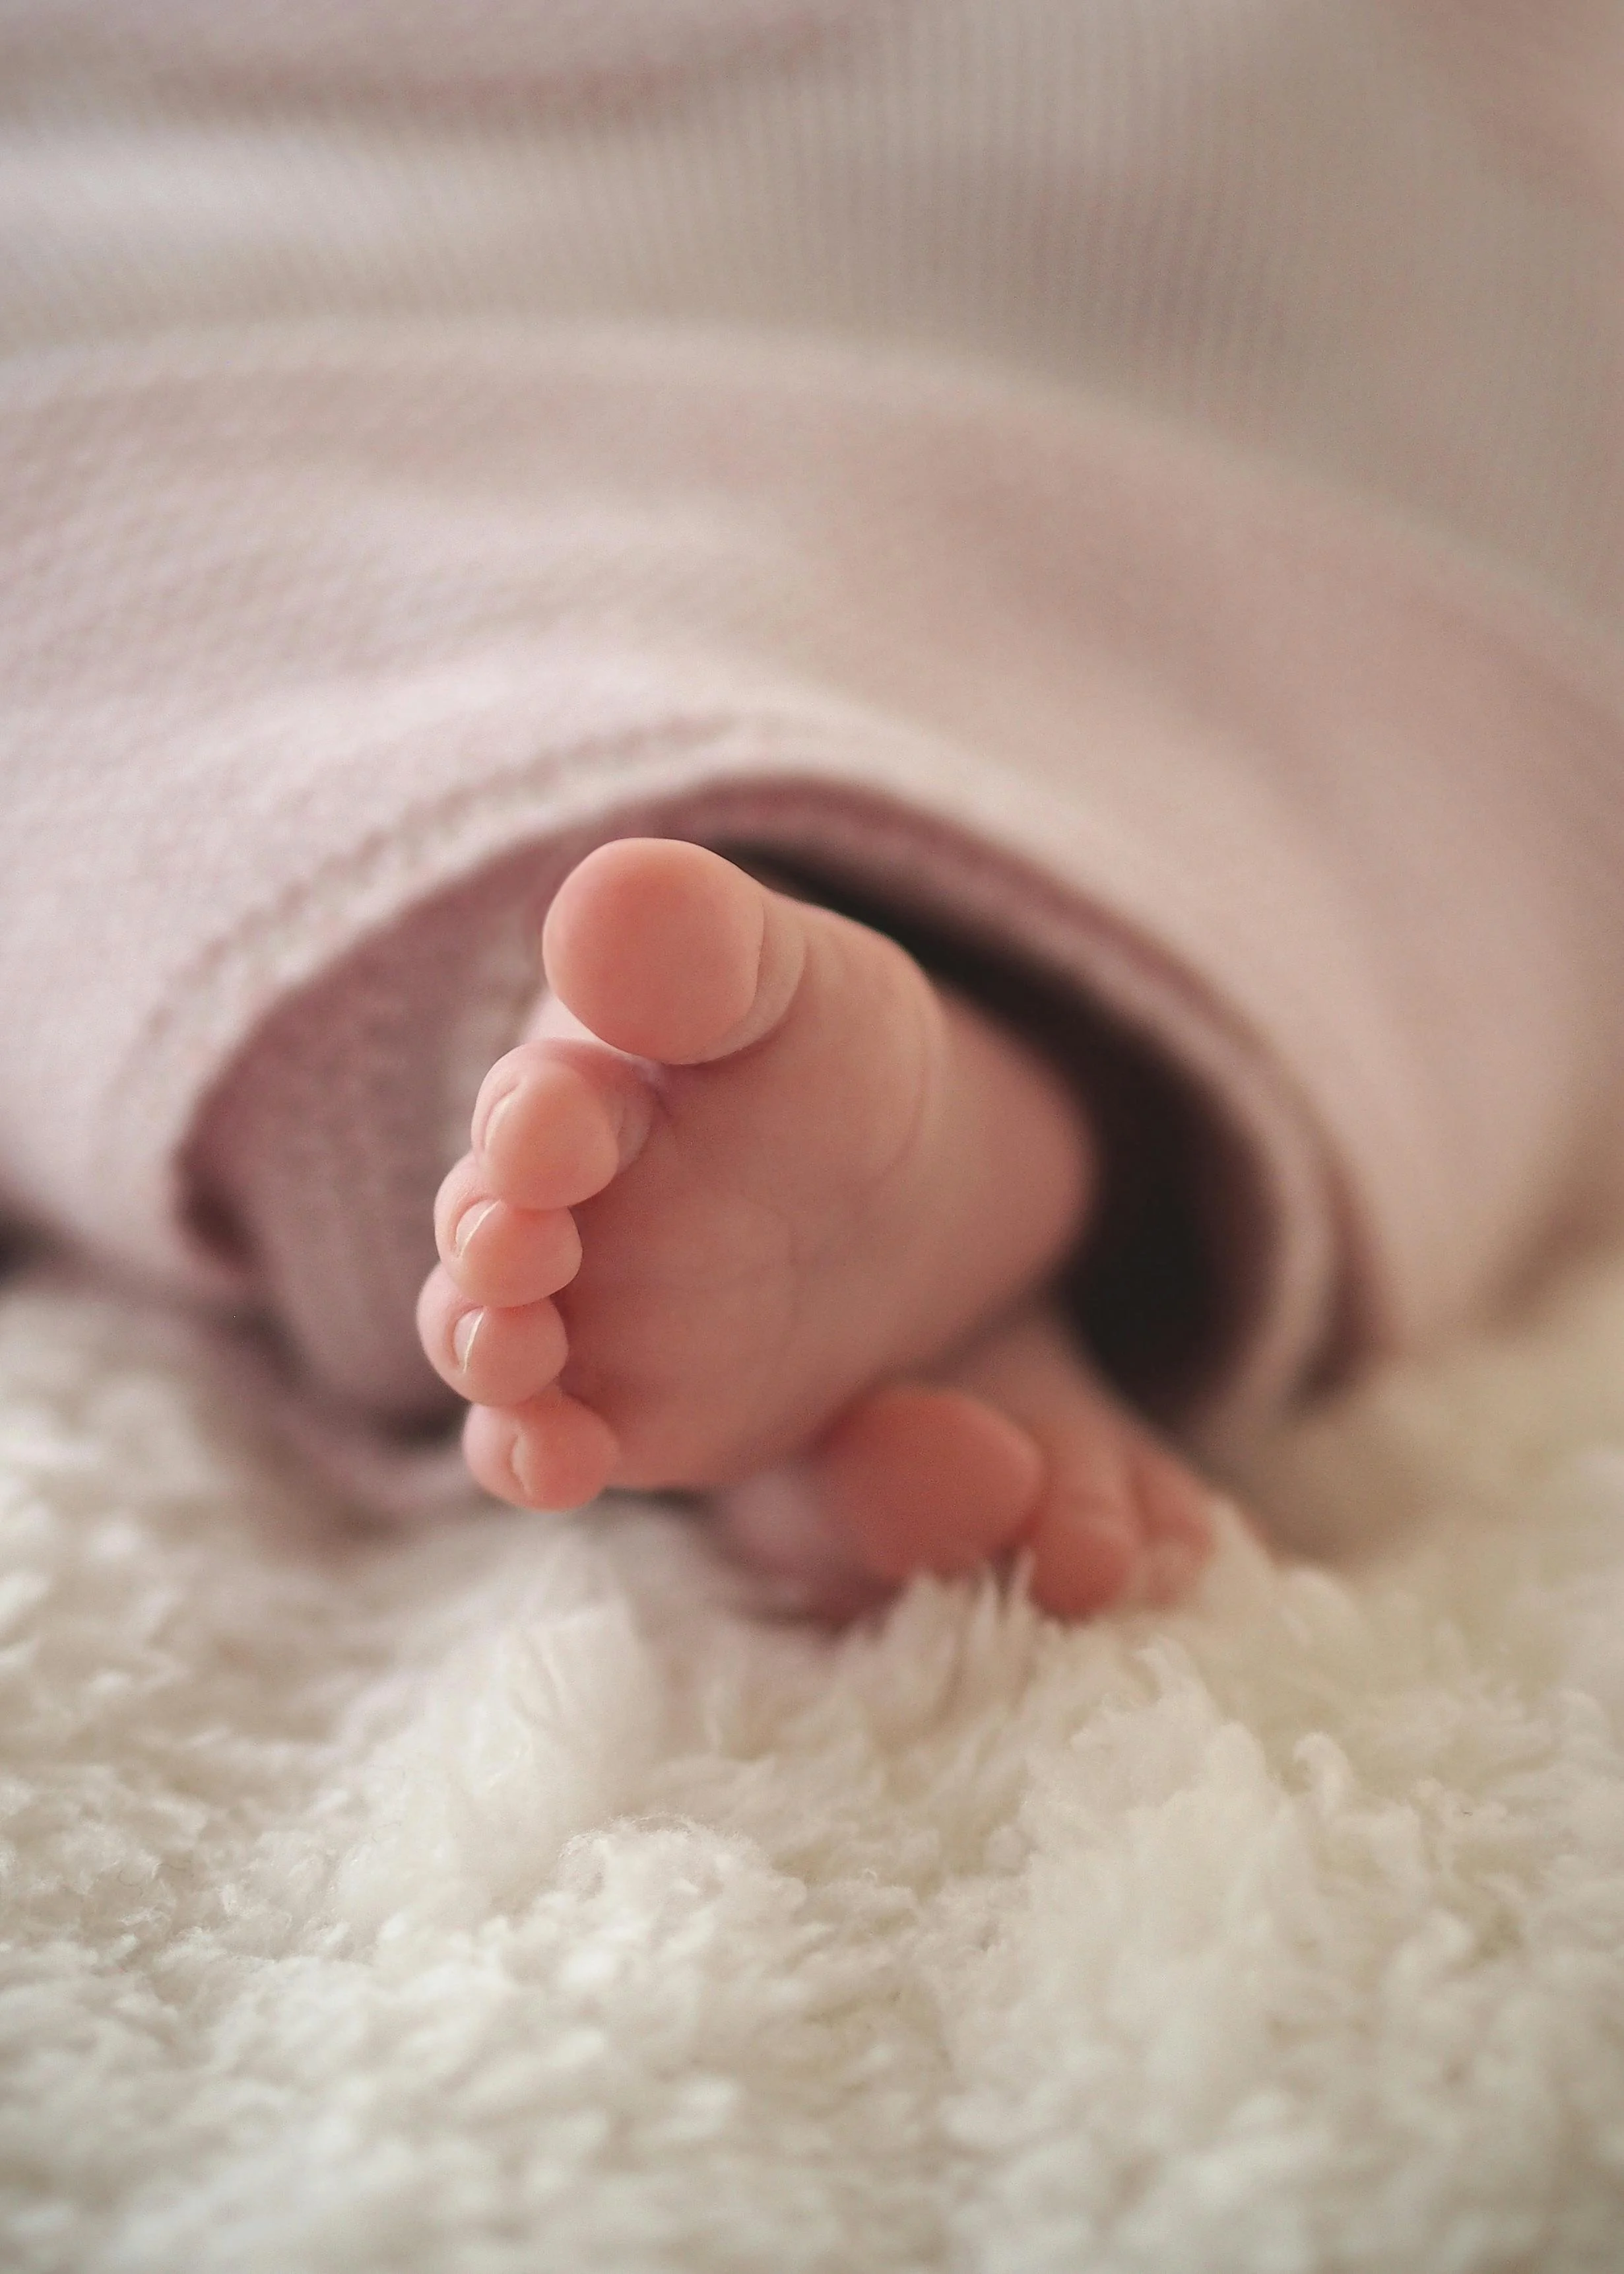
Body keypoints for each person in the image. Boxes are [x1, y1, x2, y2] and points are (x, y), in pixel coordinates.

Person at [3, 2, 1622, 1614]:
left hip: (1001, 290)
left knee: (223, 789)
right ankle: (971, 1149)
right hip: (186, 288)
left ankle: (913, 1128)